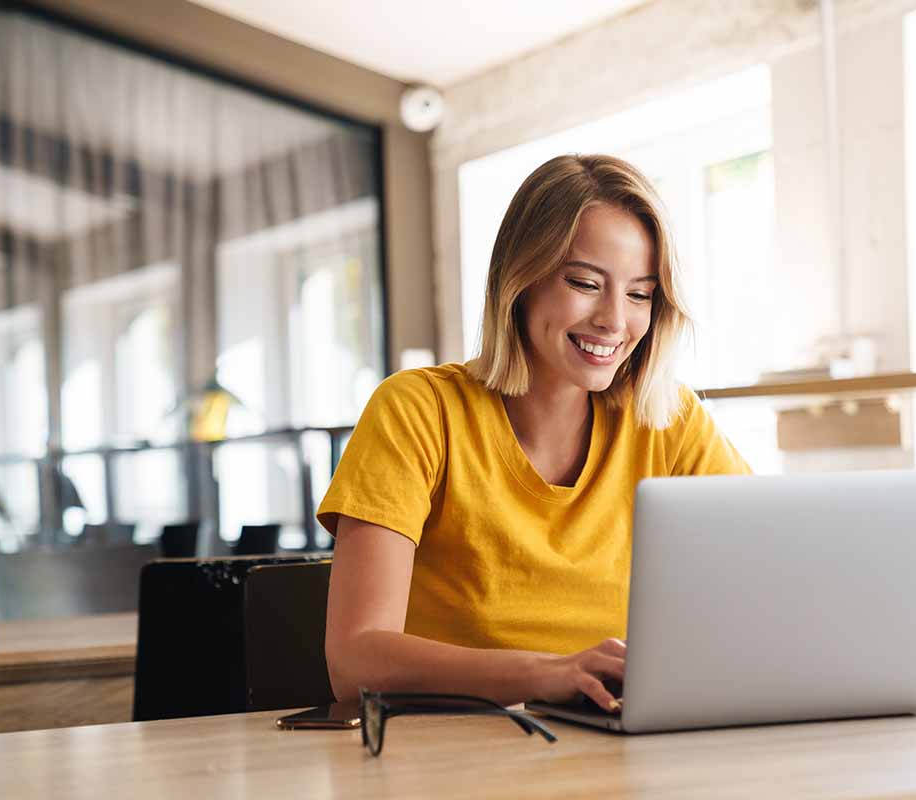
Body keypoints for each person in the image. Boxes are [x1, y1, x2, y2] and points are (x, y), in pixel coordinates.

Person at [318, 154, 750, 712]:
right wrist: (546, 673)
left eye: (640, 294)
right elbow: (354, 662)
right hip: (453, 755)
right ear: (520, 279)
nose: (615, 321)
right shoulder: (418, 410)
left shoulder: (668, 420)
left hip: (615, 744)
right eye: (585, 283)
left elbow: (764, 585)